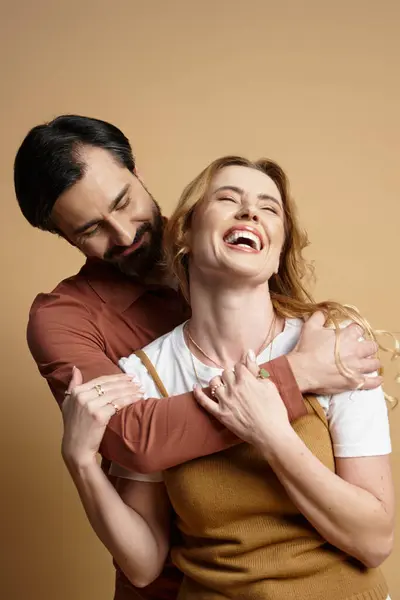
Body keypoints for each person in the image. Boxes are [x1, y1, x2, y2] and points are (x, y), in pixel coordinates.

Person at [14, 115, 384, 600]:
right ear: (66, 237)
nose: (125, 234)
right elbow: (132, 436)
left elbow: (374, 535)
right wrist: (296, 375)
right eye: (90, 230)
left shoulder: (305, 326)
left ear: (137, 172)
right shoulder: (69, 321)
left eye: (123, 202)